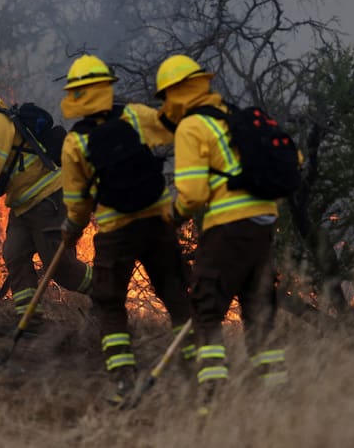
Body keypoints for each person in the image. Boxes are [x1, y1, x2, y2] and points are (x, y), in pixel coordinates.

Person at [155, 54, 288, 414]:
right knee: (258, 310)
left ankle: (211, 401)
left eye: (166, 96)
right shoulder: (234, 118)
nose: (165, 105)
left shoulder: (192, 127)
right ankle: (276, 402)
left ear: (178, 92)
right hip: (262, 226)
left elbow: (194, 194)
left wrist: (169, 218)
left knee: (206, 305)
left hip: (228, 228)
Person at [58, 54, 193, 404]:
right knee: (176, 294)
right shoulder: (134, 115)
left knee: (110, 304)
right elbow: (170, 129)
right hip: (158, 222)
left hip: (116, 231)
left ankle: (123, 380)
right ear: (107, 87)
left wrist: (71, 228)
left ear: (75, 96)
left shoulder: (76, 143)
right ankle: (198, 365)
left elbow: (78, 202)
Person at [0, 79, 93, 333]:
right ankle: (31, 322)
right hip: (24, 207)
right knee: (14, 255)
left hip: (47, 200)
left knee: (62, 269)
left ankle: (108, 292)